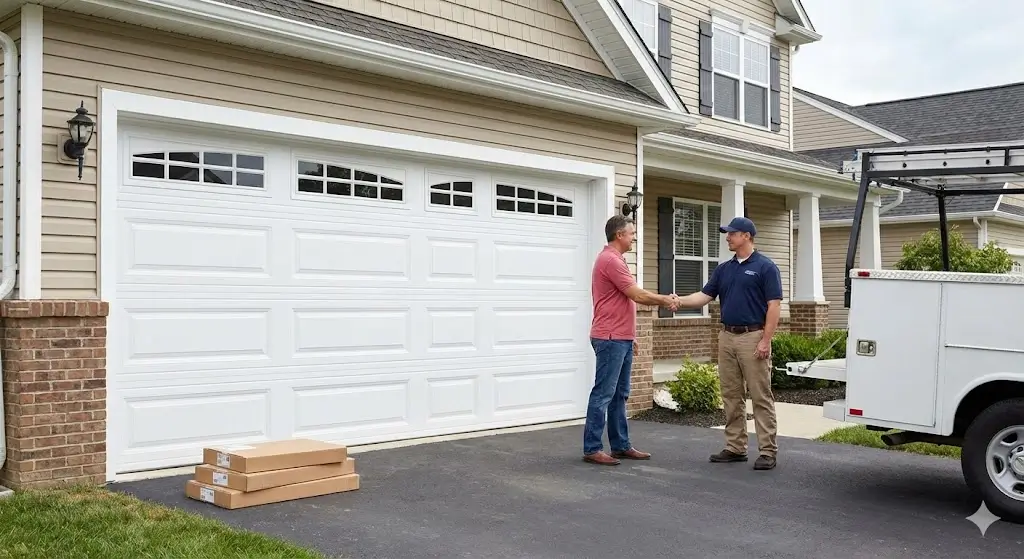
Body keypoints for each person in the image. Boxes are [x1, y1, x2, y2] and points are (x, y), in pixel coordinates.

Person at [672, 216, 782, 470]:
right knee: (731, 394)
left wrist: (766, 340)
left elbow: (774, 306)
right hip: (727, 336)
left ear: (746, 236)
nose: (727, 237)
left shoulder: (765, 267)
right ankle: (735, 447)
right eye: (727, 233)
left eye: (732, 234)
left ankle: (767, 451)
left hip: (753, 336)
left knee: (760, 395)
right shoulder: (724, 269)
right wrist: (678, 301)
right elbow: (704, 296)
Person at [583, 214, 680, 466]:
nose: (634, 237)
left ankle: (620, 446)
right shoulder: (610, 260)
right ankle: (592, 448)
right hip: (610, 337)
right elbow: (637, 295)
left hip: (621, 337)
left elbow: (623, 301)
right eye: (632, 233)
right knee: (603, 394)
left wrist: (631, 336)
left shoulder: (617, 260)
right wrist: (665, 300)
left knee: (620, 395)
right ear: (619, 235)